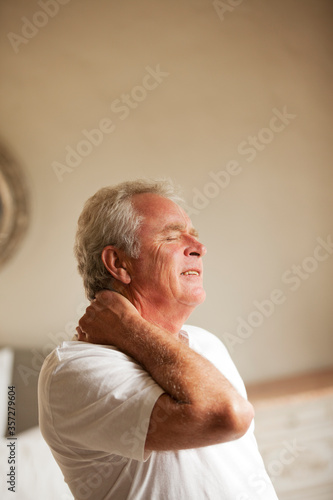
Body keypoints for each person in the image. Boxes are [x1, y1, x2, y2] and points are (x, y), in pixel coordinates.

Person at [38, 179, 279, 500]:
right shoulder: (72, 370)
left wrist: (127, 326)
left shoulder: (206, 343)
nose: (199, 248)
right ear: (118, 263)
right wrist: (127, 326)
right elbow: (229, 416)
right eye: (171, 236)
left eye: (195, 236)